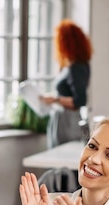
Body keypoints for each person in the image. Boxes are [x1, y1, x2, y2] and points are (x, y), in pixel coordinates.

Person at [40, 19, 92, 148]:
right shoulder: (69, 65)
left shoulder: (77, 67)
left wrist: (55, 99)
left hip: (69, 120)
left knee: (64, 159)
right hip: (61, 118)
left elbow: (80, 100)